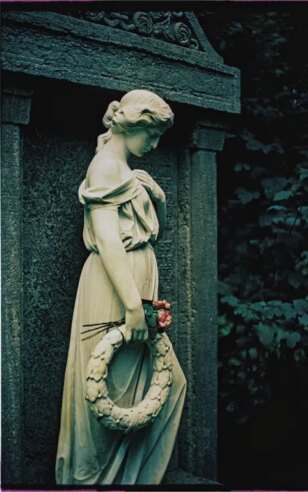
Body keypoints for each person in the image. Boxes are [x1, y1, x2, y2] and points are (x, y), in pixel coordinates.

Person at [55, 90, 187, 485]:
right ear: (133, 126)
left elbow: (147, 232)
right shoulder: (105, 167)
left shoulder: (126, 171)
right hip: (115, 288)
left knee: (158, 388)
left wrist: (157, 198)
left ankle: (126, 479)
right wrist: (132, 305)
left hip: (135, 282)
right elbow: (108, 239)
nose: (155, 144)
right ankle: (89, 478)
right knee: (106, 394)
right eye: (152, 135)